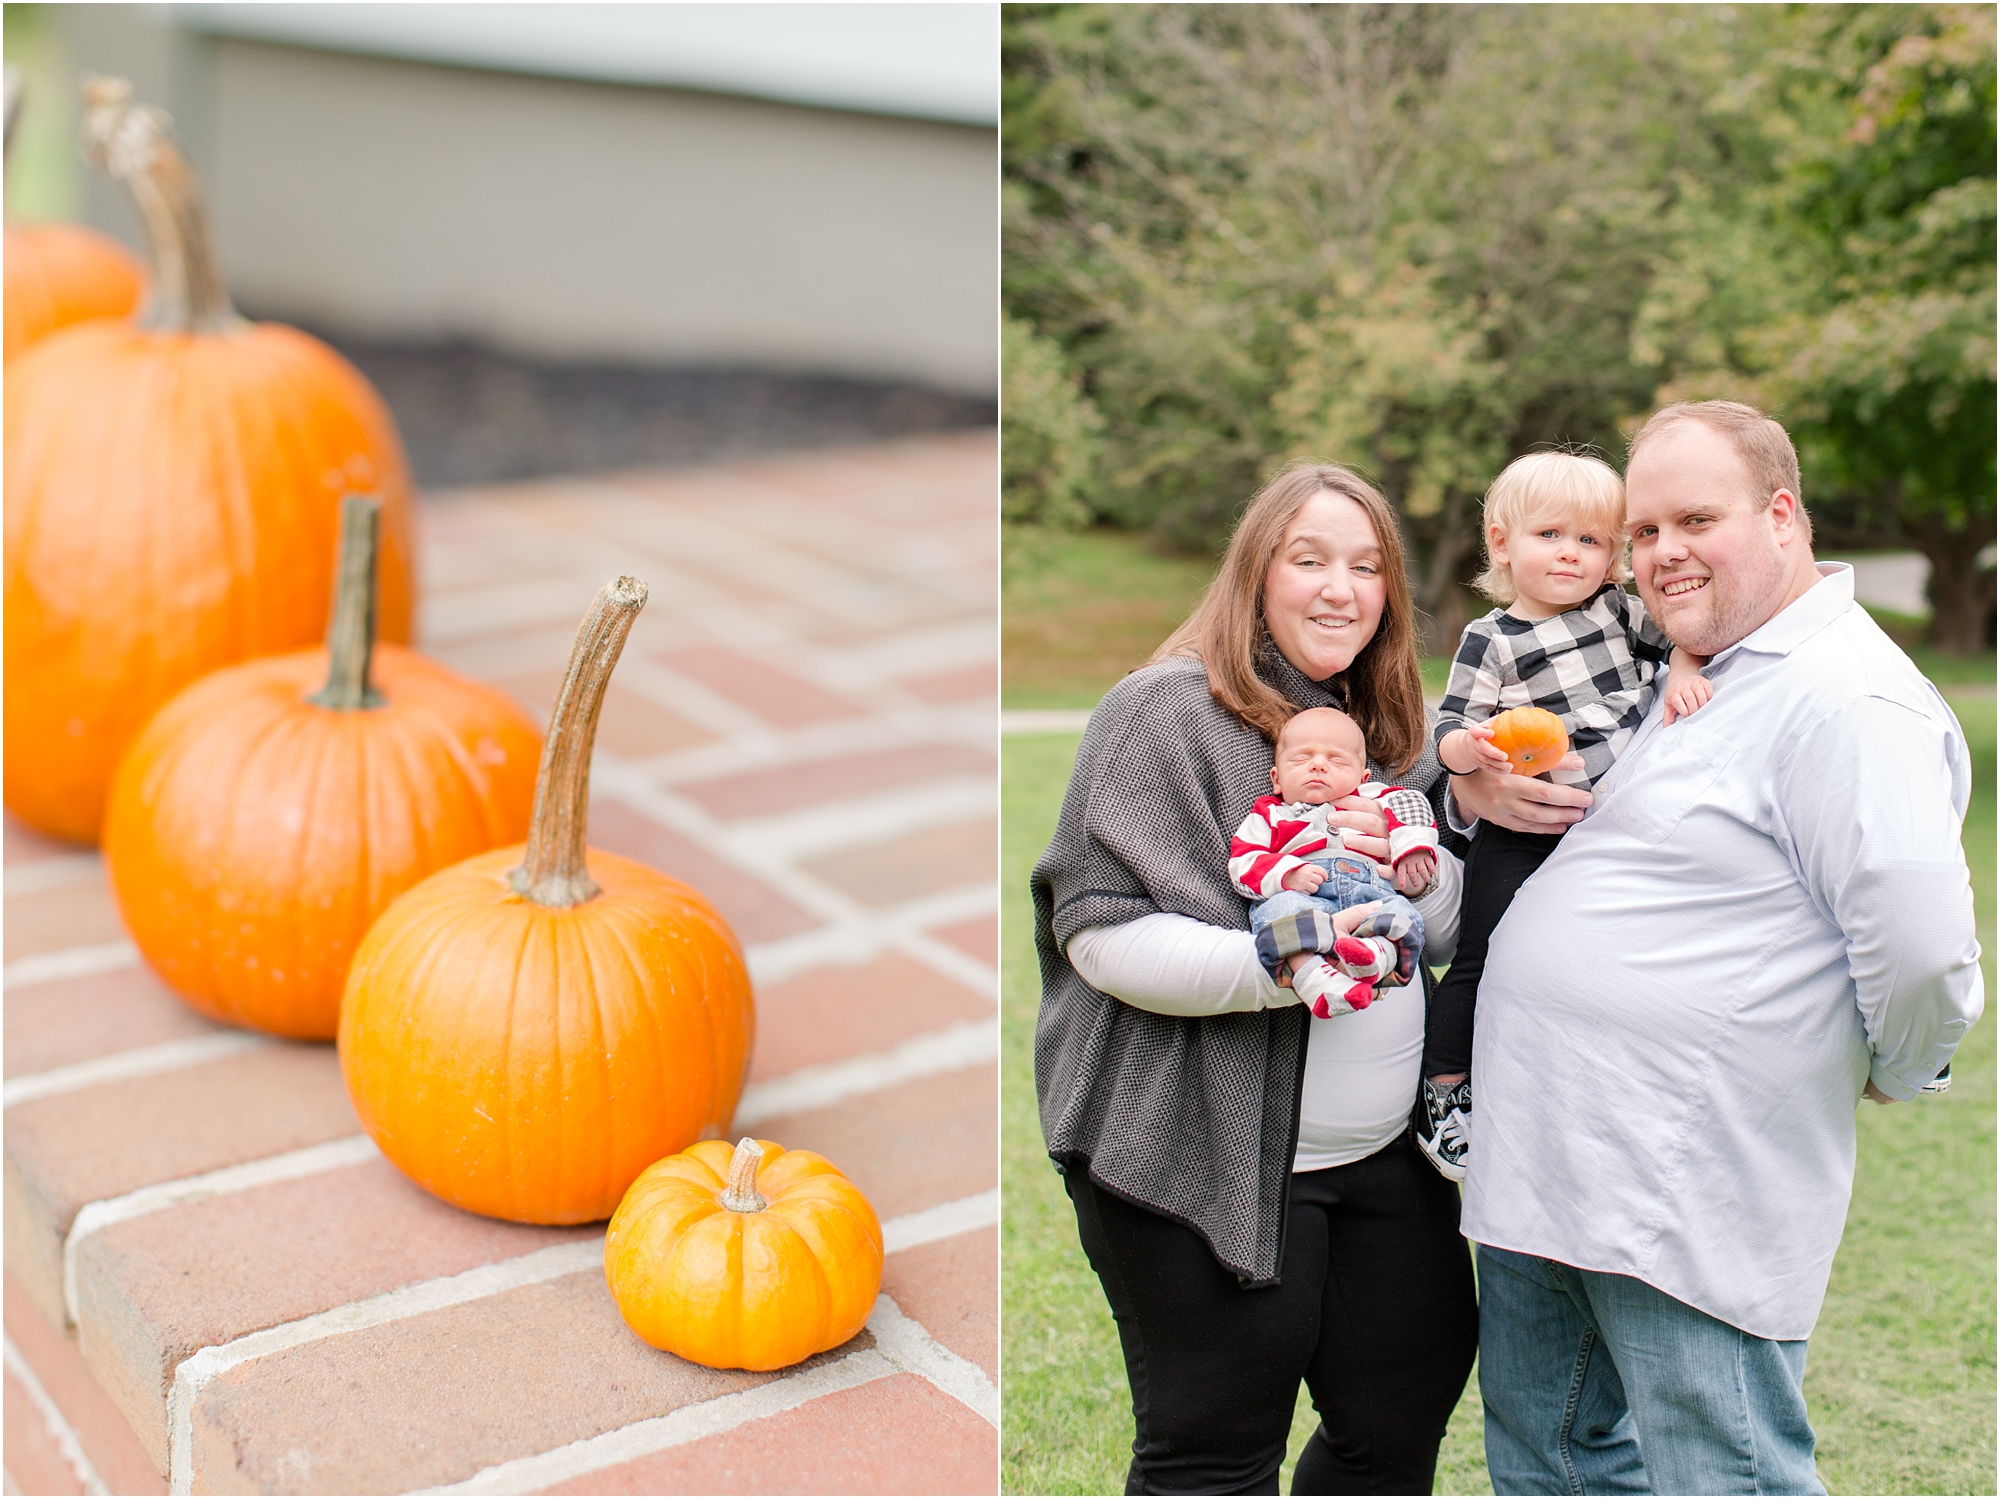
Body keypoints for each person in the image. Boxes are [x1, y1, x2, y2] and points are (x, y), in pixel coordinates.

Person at [1463, 401, 1983, 1496]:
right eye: (1641, 531)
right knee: (1550, 1461)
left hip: (1680, 1183)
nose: (1659, 554)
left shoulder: (1850, 695)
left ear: (1781, 514)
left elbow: (1920, 943)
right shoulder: (1685, 663)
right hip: (1544, 1160)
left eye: (1693, 518)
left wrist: (1898, 1063)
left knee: (1722, 1472)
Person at [1033, 461, 1482, 1495]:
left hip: (1381, 1154)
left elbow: (1444, 923)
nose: (1341, 587)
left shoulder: (1383, 722)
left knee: (1396, 1415)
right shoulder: (1161, 712)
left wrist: (1402, 872)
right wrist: (1295, 963)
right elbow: (1097, 933)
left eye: (1367, 565)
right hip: (1201, 1146)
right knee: (1213, 1450)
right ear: (1253, 572)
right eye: (1309, 557)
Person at [1417, 451, 1710, 1180]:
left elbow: (1678, 639)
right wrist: (1468, 749)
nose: (1571, 554)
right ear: (1501, 543)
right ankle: (1444, 1086)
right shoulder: (1493, 638)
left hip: (1607, 829)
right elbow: (1449, 725)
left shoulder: (1616, 611)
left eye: (1590, 540)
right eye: (1550, 534)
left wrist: (1681, 668)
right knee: (1485, 954)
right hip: (1524, 824)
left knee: (1577, 965)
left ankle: (1548, 1086)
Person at [1229, 705, 1437, 1018]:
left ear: (1362, 777)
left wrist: (1412, 846)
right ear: (1277, 779)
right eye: (1301, 758)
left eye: (1336, 759)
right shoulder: (1270, 814)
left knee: (1401, 915)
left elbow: (1412, 805)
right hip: (1303, 898)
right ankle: (1314, 977)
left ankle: (1373, 956)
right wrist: (1287, 875)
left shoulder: (1371, 799)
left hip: (1370, 892)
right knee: (1280, 915)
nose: (1318, 766)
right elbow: (1243, 862)